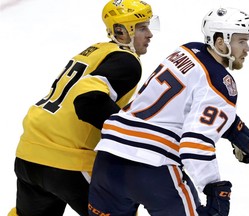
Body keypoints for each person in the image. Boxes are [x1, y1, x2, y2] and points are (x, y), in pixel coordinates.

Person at [88, 7, 249, 216]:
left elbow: (181, 101)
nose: (247, 48)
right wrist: (215, 188)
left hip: (108, 160)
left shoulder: (186, 50)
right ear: (220, 42)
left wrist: (229, 124)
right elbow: (194, 147)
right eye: (241, 41)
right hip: (153, 169)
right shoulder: (222, 84)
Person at [8, 0, 159, 215]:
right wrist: (129, 136)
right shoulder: (127, 61)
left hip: (28, 154)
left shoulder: (95, 50)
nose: (150, 34)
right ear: (121, 31)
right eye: (142, 28)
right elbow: (88, 100)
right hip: (66, 161)